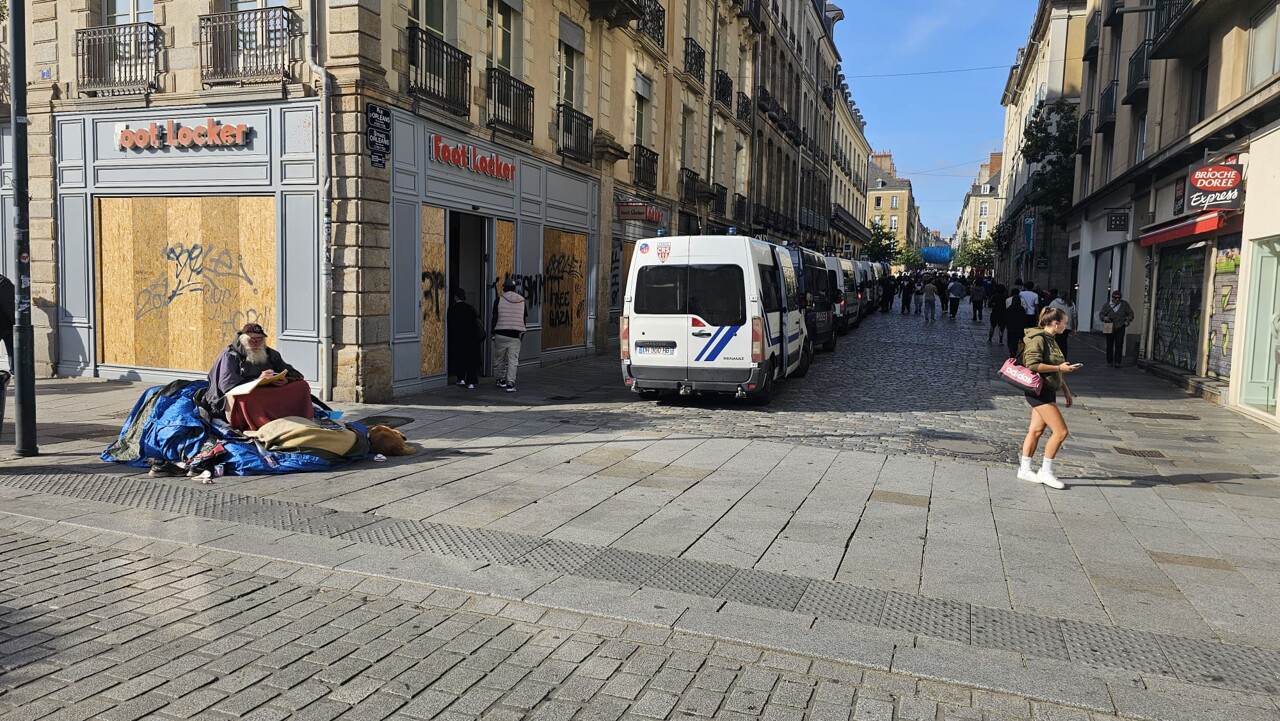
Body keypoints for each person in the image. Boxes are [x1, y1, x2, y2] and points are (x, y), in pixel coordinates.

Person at [1017, 307, 1079, 490]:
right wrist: (1060, 369)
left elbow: (1057, 367)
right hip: (1039, 391)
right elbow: (1033, 364)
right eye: (1064, 322)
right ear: (1055, 323)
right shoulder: (1038, 338)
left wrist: (1066, 390)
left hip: (1048, 389)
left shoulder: (1051, 339)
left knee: (1036, 430)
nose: (1066, 326)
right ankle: (1046, 471)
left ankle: (1025, 469)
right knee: (1061, 432)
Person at [207, 322, 309, 431]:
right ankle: (262, 424)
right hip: (242, 396)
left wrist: (286, 380)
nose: (256, 343)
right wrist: (257, 380)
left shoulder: (271, 354)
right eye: (252, 340)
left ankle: (294, 418)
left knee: (301, 385)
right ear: (242, 340)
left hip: (266, 391)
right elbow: (227, 385)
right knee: (249, 398)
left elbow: (292, 372)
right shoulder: (230, 356)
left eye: (259, 340)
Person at [492, 279, 528, 393]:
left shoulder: (499, 300)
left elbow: (495, 317)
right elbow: (523, 319)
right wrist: (522, 335)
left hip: (500, 333)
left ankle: (501, 380)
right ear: (514, 288)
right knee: (513, 360)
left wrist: (493, 332)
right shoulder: (522, 301)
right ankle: (510, 383)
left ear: (504, 288)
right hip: (515, 335)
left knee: (500, 358)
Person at [446, 288, 483, 389]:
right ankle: (470, 382)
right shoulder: (470, 308)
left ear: (455, 297)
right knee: (470, 361)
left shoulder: (452, 309)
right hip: (471, 339)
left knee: (459, 358)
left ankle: (461, 378)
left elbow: (450, 325)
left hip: (457, 338)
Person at [1099, 290, 1135, 367]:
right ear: (1112, 297)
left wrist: (1127, 321)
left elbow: (1131, 313)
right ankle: (1109, 361)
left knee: (1119, 344)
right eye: (1116, 298)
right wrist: (1104, 318)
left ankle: (1117, 362)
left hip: (1120, 326)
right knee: (1109, 345)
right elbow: (1101, 314)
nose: (1117, 299)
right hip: (1109, 326)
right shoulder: (1107, 305)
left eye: (1119, 298)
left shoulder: (1124, 304)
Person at [1048, 289, 1078, 359]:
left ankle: (1057, 357)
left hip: (1056, 326)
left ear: (1058, 295)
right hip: (1067, 326)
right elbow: (1075, 316)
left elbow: (1049, 313)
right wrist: (1075, 328)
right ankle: (1064, 357)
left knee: (1056, 341)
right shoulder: (1070, 303)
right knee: (1064, 342)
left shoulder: (1054, 303)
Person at [1005, 287, 1026, 360]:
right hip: (1019, 327)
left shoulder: (1009, 308)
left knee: (1011, 341)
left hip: (1011, 327)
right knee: (1018, 340)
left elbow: (1006, 318)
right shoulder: (1022, 309)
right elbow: (1024, 318)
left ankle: (1012, 352)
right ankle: (1019, 353)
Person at [0, 273, 14, 372]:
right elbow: (9, 306)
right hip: (6, 324)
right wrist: (16, 322)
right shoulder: (3, 282)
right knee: (13, 350)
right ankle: (16, 371)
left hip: (5, 324)